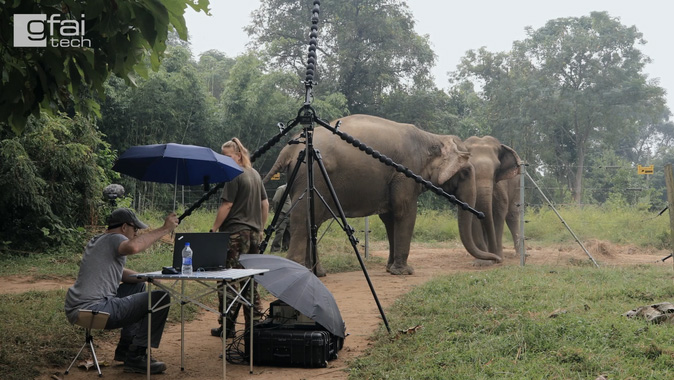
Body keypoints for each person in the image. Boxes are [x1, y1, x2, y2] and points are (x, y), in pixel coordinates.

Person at [64, 208, 179, 374]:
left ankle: (125, 351)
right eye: (135, 229)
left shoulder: (98, 240)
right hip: (95, 308)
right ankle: (137, 356)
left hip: (78, 307)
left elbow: (120, 272)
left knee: (138, 286)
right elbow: (133, 247)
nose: (136, 233)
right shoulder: (115, 238)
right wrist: (165, 229)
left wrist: (147, 277)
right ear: (125, 227)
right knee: (160, 298)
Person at [210, 138, 269, 338]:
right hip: (253, 235)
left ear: (238, 155)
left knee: (228, 280)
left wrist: (214, 228)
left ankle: (227, 327)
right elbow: (265, 204)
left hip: (234, 234)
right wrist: (260, 228)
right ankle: (254, 326)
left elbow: (226, 205)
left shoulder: (233, 174)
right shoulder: (255, 174)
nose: (224, 159)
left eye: (227, 155)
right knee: (249, 280)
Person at [270, 183, 291, 252]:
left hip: (291, 215)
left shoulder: (293, 189)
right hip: (282, 214)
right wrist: (278, 212)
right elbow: (275, 200)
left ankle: (286, 248)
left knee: (288, 232)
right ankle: (275, 249)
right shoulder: (282, 189)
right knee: (280, 232)